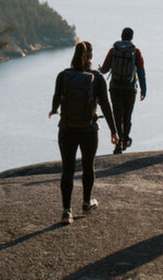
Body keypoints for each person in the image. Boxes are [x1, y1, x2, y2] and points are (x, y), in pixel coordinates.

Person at [50, 41, 119, 225]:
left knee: (68, 170)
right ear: (91, 56)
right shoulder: (96, 78)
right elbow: (105, 105)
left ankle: (66, 211)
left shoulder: (63, 76)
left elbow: (57, 97)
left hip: (66, 129)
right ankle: (87, 202)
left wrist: (53, 109)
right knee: (88, 166)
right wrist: (114, 131)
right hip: (88, 130)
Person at [100, 27, 147, 154]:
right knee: (127, 115)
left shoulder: (113, 50)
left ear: (121, 36)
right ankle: (125, 140)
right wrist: (143, 90)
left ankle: (118, 144)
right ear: (131, 37)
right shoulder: (136, 52)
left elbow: (104, 69)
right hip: (130, 89)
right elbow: (141, 72)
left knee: (117, 115)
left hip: (115, 87)